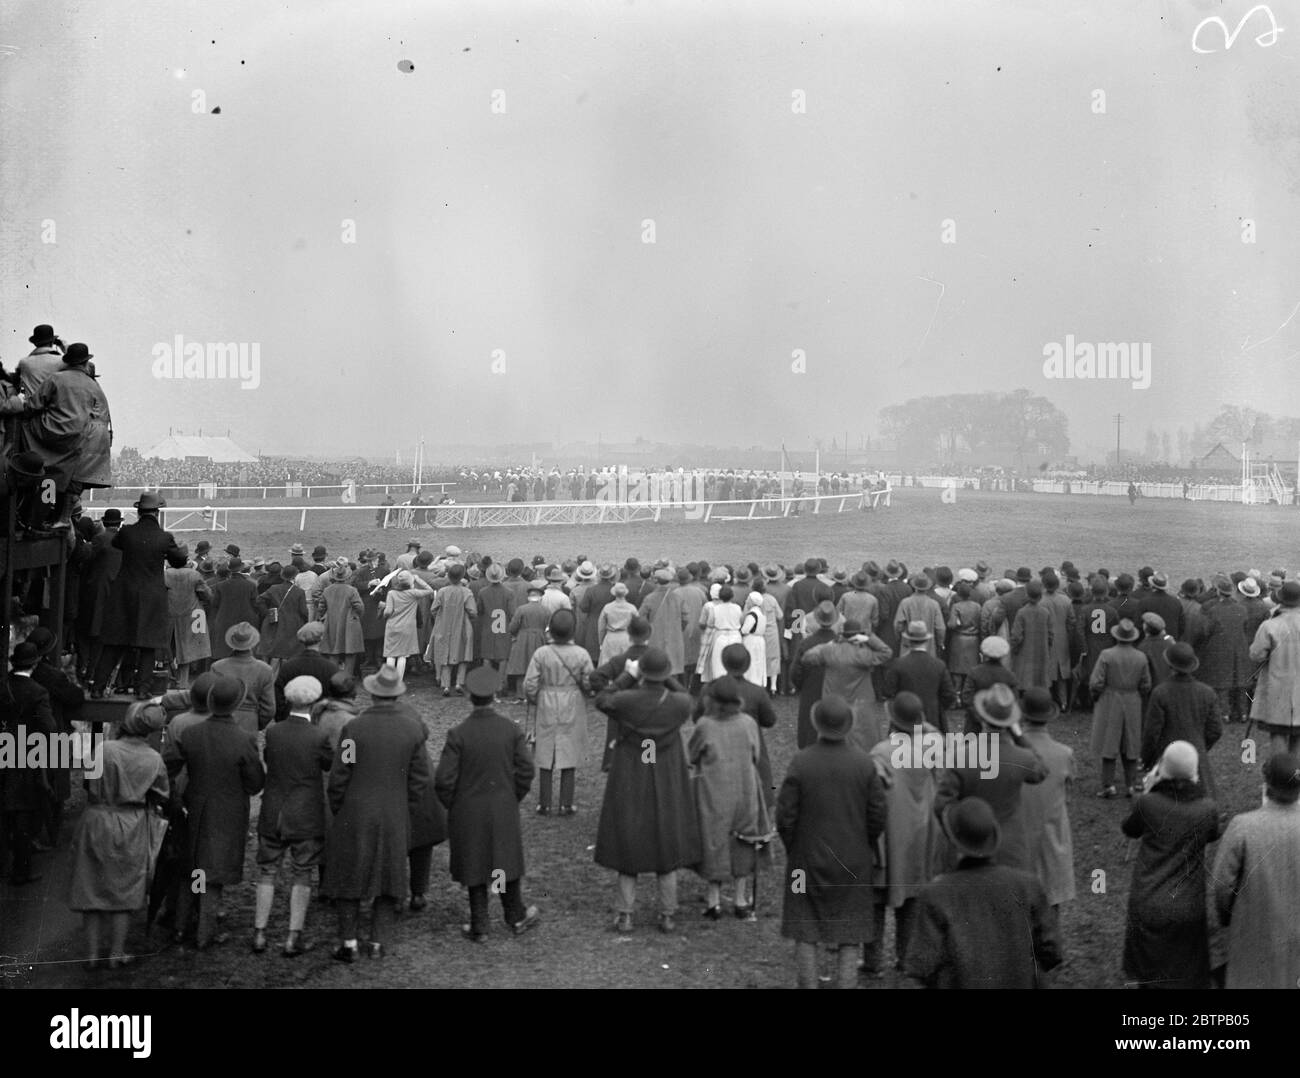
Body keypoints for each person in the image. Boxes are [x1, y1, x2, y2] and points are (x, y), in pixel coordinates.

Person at [777, 695, 887, 989]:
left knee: (804, 922)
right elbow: (878, 814)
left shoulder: (801, 761)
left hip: (805, 860)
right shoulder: (864, 764)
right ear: (849, 725)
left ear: (816, 724)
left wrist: (796, 847)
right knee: (851, 928)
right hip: (853, 858)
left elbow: (785, 815)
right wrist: (864, 843)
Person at [324, 664, 430, 962]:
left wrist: (340, 807)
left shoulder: (354, 727)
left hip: (355, 811)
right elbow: (420, 778)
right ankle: (378, 942)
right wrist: (403, 807)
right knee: (388, 876)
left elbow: (340, 774)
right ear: (397, 695)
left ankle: (348, 942)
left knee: (349, 876)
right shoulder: (412, 729)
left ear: (371, 694)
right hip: (394, 812)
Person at [593, 647, 700, 933]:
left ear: (643, 673)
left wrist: (628, 676)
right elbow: (691, 701)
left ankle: (625, 914)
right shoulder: (678, 703)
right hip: (665, 772)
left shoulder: (627, 700)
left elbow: (601, 699)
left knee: (628, 839)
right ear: (665, 674)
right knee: (666, 842)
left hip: (631, 770)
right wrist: (669, 681)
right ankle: (667, 914)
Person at [903, 797, 1062, 989]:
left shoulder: (936, 895)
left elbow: (921, 966)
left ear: (952, 841)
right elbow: (1051, 951)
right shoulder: (1028, 885)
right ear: (992, 837)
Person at [434, 666, 540, 942]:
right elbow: (526, 770)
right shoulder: (511, 730)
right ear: (494, 695)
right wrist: (511, 796)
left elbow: (443, 780)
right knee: (501, 859)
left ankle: (480, 922)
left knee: (475, 862)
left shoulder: (458, 734)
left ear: (469, 696)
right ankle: (514, 915)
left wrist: (456, 804)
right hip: (502, 806)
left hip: (468, 809)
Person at [66, 701, 169, 970]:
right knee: (124, 890)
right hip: (132, 823)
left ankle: (90, 954)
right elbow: (161, 795)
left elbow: (89, 783)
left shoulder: (104, 749)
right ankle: (116, 953)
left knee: (91, 887)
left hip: (96, 819)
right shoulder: (154, 759)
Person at [167, 675, 266, 950]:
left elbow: (169, 769)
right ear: (235, 704)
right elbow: (255, 782)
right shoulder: (243, 739)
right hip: (227, 813)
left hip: (194, 807)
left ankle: (179, 927)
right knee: (212, 874)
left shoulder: (191, 734)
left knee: (193, 869)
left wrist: (177, 798)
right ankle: (204, 933)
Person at [1121, 741, 1221, 989]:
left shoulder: (1148, 804)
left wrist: (1146, 792)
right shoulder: (1207, 809)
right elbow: (1212, 834)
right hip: (1188, 905)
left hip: (1148, 901)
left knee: (1147, 976)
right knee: (1187, 976)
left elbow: (1129, 828)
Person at [253, 676, 333, 957]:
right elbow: (329, 763)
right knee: (302, 872)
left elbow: (270, 760)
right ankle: (292, 936)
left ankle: (259, 933)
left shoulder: (274, 733)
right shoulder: (319, 736)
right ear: (314, 702)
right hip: (306, 813)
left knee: (267, 870)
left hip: (273, 809)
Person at [933, 683, 1048, 872]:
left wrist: (957, 833)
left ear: (981, 717)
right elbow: (1042, 771)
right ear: (1010, 721)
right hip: (1010, 847)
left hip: (968, 847)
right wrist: (1019, 736)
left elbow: (941, 805)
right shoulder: (1023, 758)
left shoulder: (960, 756)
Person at [866, 692, 939, 976]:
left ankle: (872, 959)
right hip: (919, 831)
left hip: (888, 834)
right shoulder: (932, 744)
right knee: (912, 896)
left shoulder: (881, 751)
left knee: (875, 898)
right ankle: (905, 957)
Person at [1212, 753, 1300, 989]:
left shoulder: (1243, 826)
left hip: (1253, 933)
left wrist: (1227, 914)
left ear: (1266, 784)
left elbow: (1222, 885)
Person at [688, 677, 768, 920]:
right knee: (744, 837)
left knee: (714, 838)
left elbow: (692, 754)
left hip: (714, 789)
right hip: (744, 786)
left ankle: (714, 900)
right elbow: (756, 753)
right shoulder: (748, 723)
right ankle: (741, 899)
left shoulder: (705, 725)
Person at [92, 492, 181, 698]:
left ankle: (97, 688)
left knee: (114, 643)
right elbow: (178, 560)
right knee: (148, 646)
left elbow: (117, 544)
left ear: (138, 511)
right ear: (157, 513)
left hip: (124, 593)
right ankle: (142, 690)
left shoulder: (127, 532)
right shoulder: (165, 537)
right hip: (152, 595)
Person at [17, 341, 112, 528]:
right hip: (86, 440)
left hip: (56, 436)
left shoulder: (56, 379)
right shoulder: (93, 385)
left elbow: (34, 405)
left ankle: (30, 463)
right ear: (85, 364)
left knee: (25, 424)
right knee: (61, 481)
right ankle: (55, 515)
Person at [1017, 688, 1077, 942]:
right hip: (1052, 829)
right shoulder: (1064, 754)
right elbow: (1068, 790)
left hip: (1018, 829)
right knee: (1051, 889)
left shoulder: (1010, 752)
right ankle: (1049, 944)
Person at [524, 609, 594, 816]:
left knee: (545, 749)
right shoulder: (581, 654)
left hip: (547, 699)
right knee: (569, 748)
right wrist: (586, 691)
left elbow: (530, 683)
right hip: (572, 700)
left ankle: (544, 802)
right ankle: (566, 802)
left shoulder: (542, 653)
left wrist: (535, 698)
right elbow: (589, 681)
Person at [2, 642, 56, 884]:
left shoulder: (3, 685)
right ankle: (20, 870)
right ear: (35, 664)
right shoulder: (37, 692)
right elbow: (49, 727)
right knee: (22, 812)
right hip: (23, 754)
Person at [1141, 642, 1222, 798]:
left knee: (1163, 800)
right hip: (1196, 753)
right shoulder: (1207, 692)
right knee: (1201, 799)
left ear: (1170, 665)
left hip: (1166, 754)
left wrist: (1147, 758)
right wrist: (1200, 745)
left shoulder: (1160, 692)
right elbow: (1216, 730)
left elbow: (1151, 732)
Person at [799, 617, 892, 750]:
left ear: (843, 634)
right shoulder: (863, 654)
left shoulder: (829, 651)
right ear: (858, 635)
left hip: (833, 704)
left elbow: (807, 657)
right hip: (859, 704)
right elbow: (886, 652)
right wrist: (869, 638)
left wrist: (830, 643)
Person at [1090, 617, 1152, 798]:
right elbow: (1146, 684)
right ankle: (1131, 785)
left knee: (1109, 742)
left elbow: (1096, 682)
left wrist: (1096, 696)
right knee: (1131, 743)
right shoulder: (1141, 657)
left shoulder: (1106, 655)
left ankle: (1108, 785)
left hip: (1110, 699)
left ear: (1117, 636)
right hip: (1133, 699)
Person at [1247, 580, 1300, 755]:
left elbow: (1256, 654)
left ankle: (1281, 777)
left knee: (1278, 732)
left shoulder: (1271, 625)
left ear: (1281, 600)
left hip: (1278, 688)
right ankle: (1294, 777)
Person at [883, 620, 958, 734]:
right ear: (927, 641)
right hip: (932, 718)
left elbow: (888, 692)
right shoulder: (938, 665)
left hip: (904, 720)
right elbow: (949, 695)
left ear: (908, 640)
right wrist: (936, 706)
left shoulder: (898, 664)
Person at [210, 622, 276, 737]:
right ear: (252, 643)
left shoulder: (217, 667)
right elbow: (269, 709)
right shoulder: (265, 670)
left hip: (221, 722)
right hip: (249, 723)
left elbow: (210, 700)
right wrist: (256, 723)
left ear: (232, 643)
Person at [789, 601, 839, 746]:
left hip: (811, 689)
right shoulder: (840, 643)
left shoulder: (806, 643)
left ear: (817, 619)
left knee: (810, 725)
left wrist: (801, 685)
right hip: (835, 689)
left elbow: (795, 672)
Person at [426, 561, 477, 695]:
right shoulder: (466, 592)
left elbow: (433, 609)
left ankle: (446, 685)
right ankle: (459, 683)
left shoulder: (442, 591)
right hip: (462, 625)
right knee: (463, 654)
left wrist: (441, 616)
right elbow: (472, 611)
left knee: (445, 655)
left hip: (444, 625)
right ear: (462, 577)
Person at [164, 546, 210, 689]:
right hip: (192, 615)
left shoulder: (165, 574)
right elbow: (206, 594)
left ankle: (169, 679)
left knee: (168, 649)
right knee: (188, 650)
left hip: (169, 615)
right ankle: (183, 683)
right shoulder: (194, 575)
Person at [382, 569, 433, 683]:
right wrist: (418, 579)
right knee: (403, 655)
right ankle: (399, 681)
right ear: (410, 582)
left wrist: (385, 613)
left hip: (392, 626)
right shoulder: (413, 593)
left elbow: (388, 611)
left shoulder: (392, 593)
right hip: (408, 628)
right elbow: (429, 590)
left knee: (390, 654)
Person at [318, 560, 365, 676]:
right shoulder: (352, 590)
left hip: (332, 623)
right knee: (350, 652)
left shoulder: (327, 590)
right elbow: (359, 607)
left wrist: (324, 617)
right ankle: (347, 679)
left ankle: (333, 677)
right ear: (347, 577)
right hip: (349, 624)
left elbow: (321, 608)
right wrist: (356, 616)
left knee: (333, 652)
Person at [475, 563, 517, 691]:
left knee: (487, 656)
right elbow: (512, 613)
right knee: (503, 657)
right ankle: (500, 684)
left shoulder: (483, 592)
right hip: (503, 627)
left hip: (488, 626)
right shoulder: (509, 593)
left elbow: (479, 610)